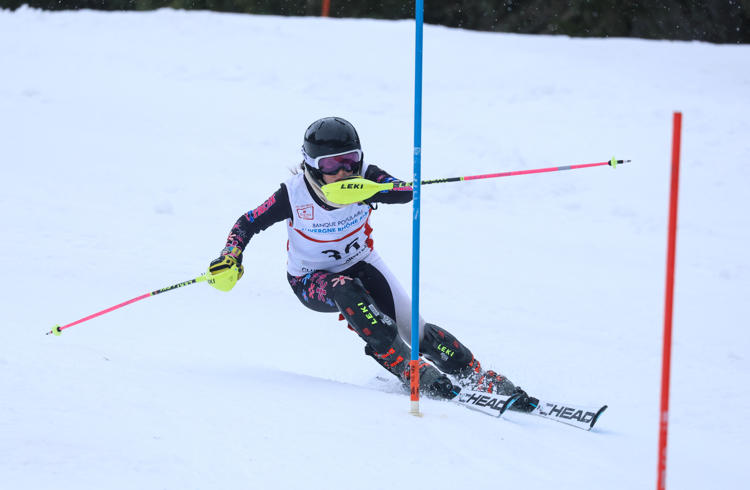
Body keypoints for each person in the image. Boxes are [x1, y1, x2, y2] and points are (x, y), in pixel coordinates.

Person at [207, 116, 538, 411]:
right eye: (330, 165)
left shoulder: (365, 178)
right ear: (310, 165)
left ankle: (474, 374)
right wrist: (230, 256)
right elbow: (247, 222)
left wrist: (375, 189)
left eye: (350, 161)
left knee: (417, 329)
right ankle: (405, 367)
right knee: (346, 290)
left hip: (362, 261)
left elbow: (404, 192)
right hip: (311, 280)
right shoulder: (293, 194)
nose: (342, 172)